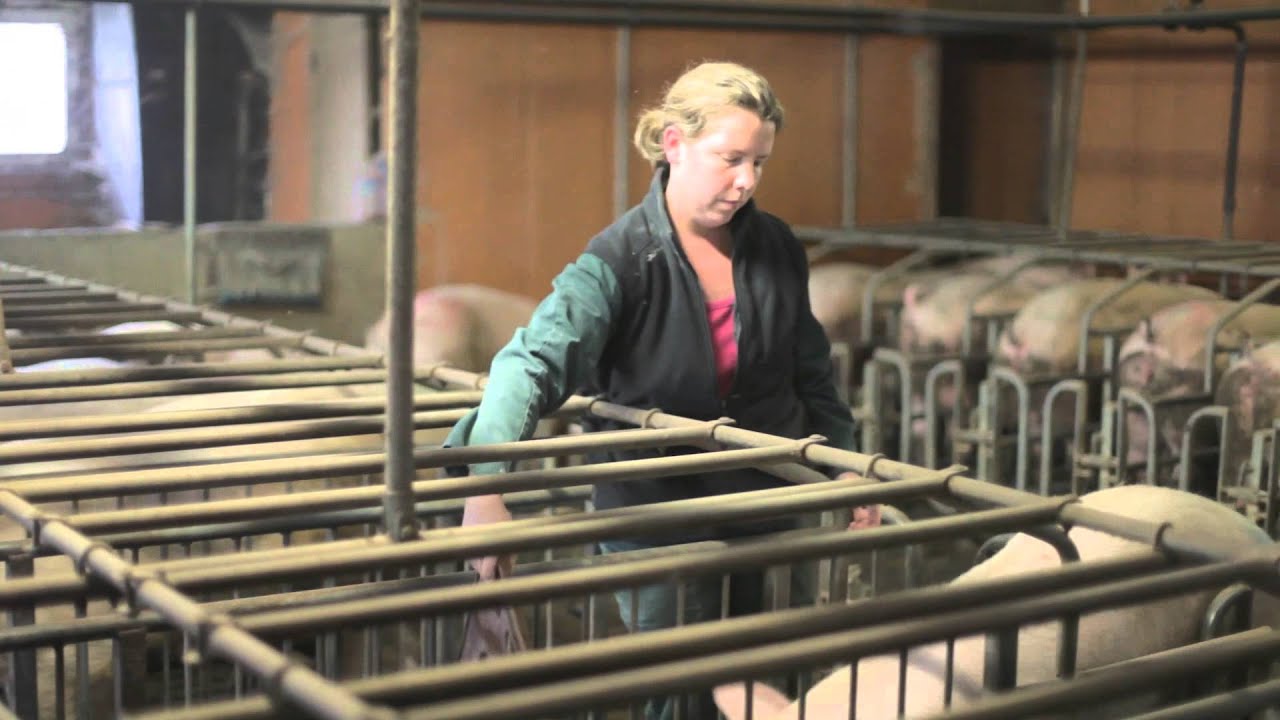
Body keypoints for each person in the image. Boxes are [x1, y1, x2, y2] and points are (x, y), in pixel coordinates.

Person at [442, 60, 881, 719]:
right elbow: (528, 365)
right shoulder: (620, 259)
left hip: (770, 506)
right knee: (684, 692)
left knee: (772, 676)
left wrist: (847, 464)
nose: (746, 181)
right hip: (659, 521)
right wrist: (486, 490)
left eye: (759, 162)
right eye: (729, 158)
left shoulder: (776, 247)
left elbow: (811, 370)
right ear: (674, 144)